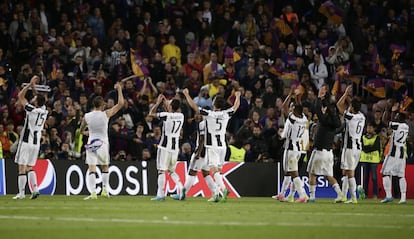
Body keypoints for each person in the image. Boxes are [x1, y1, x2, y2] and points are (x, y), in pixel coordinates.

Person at [183, 88, 241, 202]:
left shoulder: (210, 114)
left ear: (214, 103)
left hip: (212, 146)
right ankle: (216, 195)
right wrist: (238, 96)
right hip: (223, 146)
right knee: (218, 171)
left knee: (213, 170)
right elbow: (235, 107)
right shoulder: (226, 114)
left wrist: (186, 94)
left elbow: (194, 106)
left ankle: (224, 189)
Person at [79, 82, 124, 200]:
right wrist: (119, 89)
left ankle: (93, 193)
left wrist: (85, 132)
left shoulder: (87, 116)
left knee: (92, 168)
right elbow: (121, 104)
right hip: (103, 143)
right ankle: (105, 190)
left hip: (92, 142)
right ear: (102, 105)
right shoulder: (106, 114)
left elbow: (81, 129)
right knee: (105, 167)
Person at [13, 76, 48, 200]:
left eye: (34, 99)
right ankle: (36, 189)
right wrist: (34, 88)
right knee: (30, 167)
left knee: (22, 167)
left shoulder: (31, 110)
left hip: (26, 141)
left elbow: (20, 97)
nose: (32, 99)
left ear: (36, 102)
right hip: (36, 144)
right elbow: (41, 99)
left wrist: (28, 85)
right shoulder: (45, 111)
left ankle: (21, 193)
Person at [307, 85, 343, 202]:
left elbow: (317, 111)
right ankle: (340, 194)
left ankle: (312, 197)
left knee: (312, 173)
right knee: (328, 176)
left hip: (320, 151)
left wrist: (319, 98)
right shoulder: (335, 123)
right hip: (329, 153)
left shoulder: (325, 121)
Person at [170, 112, 217, 201]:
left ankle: (182, 194)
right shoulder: (212, 123)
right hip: (210, 152)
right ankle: (215, 194)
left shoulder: (202, 124)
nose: (196, 116)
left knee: (192, 173)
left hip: (202, 151)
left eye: (198, 114)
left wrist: (198, 152)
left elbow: (202, 138)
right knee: (206, 173)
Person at [149, 94, 185, 201]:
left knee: (161, 170)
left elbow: (151, 113)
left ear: (170, 107)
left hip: (164, 147)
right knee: (172, 171)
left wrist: (157, 103)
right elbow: (171, 111)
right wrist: (165, 102)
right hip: (175, 148)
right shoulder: (181, 116)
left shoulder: (166, 115)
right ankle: (181, 189)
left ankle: (160, 194)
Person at [336, 85, 366, 203]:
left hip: (350, 147)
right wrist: (349, 98)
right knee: (346, 171)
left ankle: (353, 198)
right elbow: (351, 106)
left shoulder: (351, 117)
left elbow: (339, 105)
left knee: (349, 173)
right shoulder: (361, 116)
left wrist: (345, 94)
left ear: (352, 108)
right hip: (358, 147)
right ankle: (343, 195)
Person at [278, 104, 309, 203]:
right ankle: (282, 194)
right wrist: (297, 98)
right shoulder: (304, 119)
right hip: (298, 148)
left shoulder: (293, 119)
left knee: (294, 173)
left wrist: (290, 94)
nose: (291, 110)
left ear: (295, 111)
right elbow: (299, 107)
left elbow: (284, 108)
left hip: (291, 149)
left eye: (293, 108)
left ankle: (302, 195)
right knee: (288, 172)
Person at [380, 113, 409, 204]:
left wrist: (389, 111)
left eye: (397, 116)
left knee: (384, 173)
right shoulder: (406, 126)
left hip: (393, 153)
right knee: (401, 176)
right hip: (402, 154)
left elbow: (384, 120)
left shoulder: (397, 125)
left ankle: (388, 195)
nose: (395, 117)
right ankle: (403, 197)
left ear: (400, 118)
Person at [360, 121, 381, 199]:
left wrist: (367, 148)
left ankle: (375, 194)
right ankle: (365, 194)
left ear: (374, 129)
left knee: (374, 178)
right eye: (368, 127)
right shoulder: (363, 137)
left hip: (373, 160)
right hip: (365, 159)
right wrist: (370, 147)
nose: (369, 129)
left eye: (370, 127)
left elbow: (376, 147)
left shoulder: (377, 137)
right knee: (365, 178)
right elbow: (362, 147)